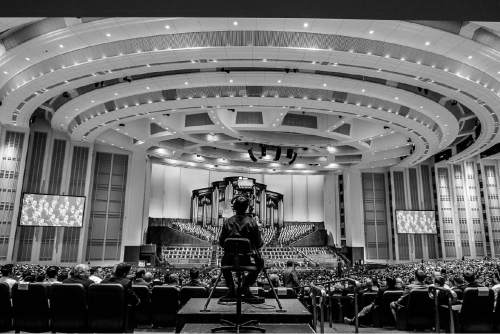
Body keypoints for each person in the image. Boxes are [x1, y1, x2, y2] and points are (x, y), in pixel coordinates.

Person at [219, 195, 264, 303]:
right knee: (260, 263)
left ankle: (231, 290)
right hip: (247, 260)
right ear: (247, 207)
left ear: (234, 207)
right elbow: (258, 244)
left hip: (229, 261)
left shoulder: (227, 222)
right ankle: (245, 287)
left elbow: (221, 243)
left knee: (223, 262)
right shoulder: (252, 222)